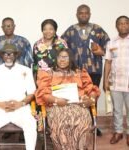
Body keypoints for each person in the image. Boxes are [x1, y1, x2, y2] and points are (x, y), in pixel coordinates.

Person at [35, 48, 100, 150]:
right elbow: (42, 93)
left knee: (83, 122)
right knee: (62, 124)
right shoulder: (47, 73)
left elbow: (92, 90)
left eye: (65, 57)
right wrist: (56, 100)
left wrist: (90, 100)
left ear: (71, 59)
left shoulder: (79, 72)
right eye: (59, 57)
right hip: (56, 106)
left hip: (78, 105)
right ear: (56, 59)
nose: (62, 60)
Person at [61, 4, 110, 136]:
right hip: (76, 72)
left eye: (86, 13)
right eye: (81, 13)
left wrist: (102, 51)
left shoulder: (98, 30)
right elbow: (60, 47)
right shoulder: (70, 31)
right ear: (77, 14)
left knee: (93, 98)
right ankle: (79, 125)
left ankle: (94, 125)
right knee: (77, 98)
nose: (83, 15)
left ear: (89, 14)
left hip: (95, 70)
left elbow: (109, 48)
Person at [0, 43, 37, 150]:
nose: (8, 56)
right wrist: (0, 104)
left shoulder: (26, 70)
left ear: (16, 55)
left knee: (30, 125)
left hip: (20, 108)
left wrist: (20, 103)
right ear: (2, 55)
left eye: (11, 54)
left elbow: (31, 92)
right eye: (6, 54)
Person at [103, 16, 129, 146]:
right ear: (116, 26)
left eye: (126, 23)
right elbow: (108, 62)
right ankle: (118, 132)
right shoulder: (111, 42)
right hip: (115, 82)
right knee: (117, 110)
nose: (123, 26)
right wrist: (105, 80)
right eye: (120, 24)